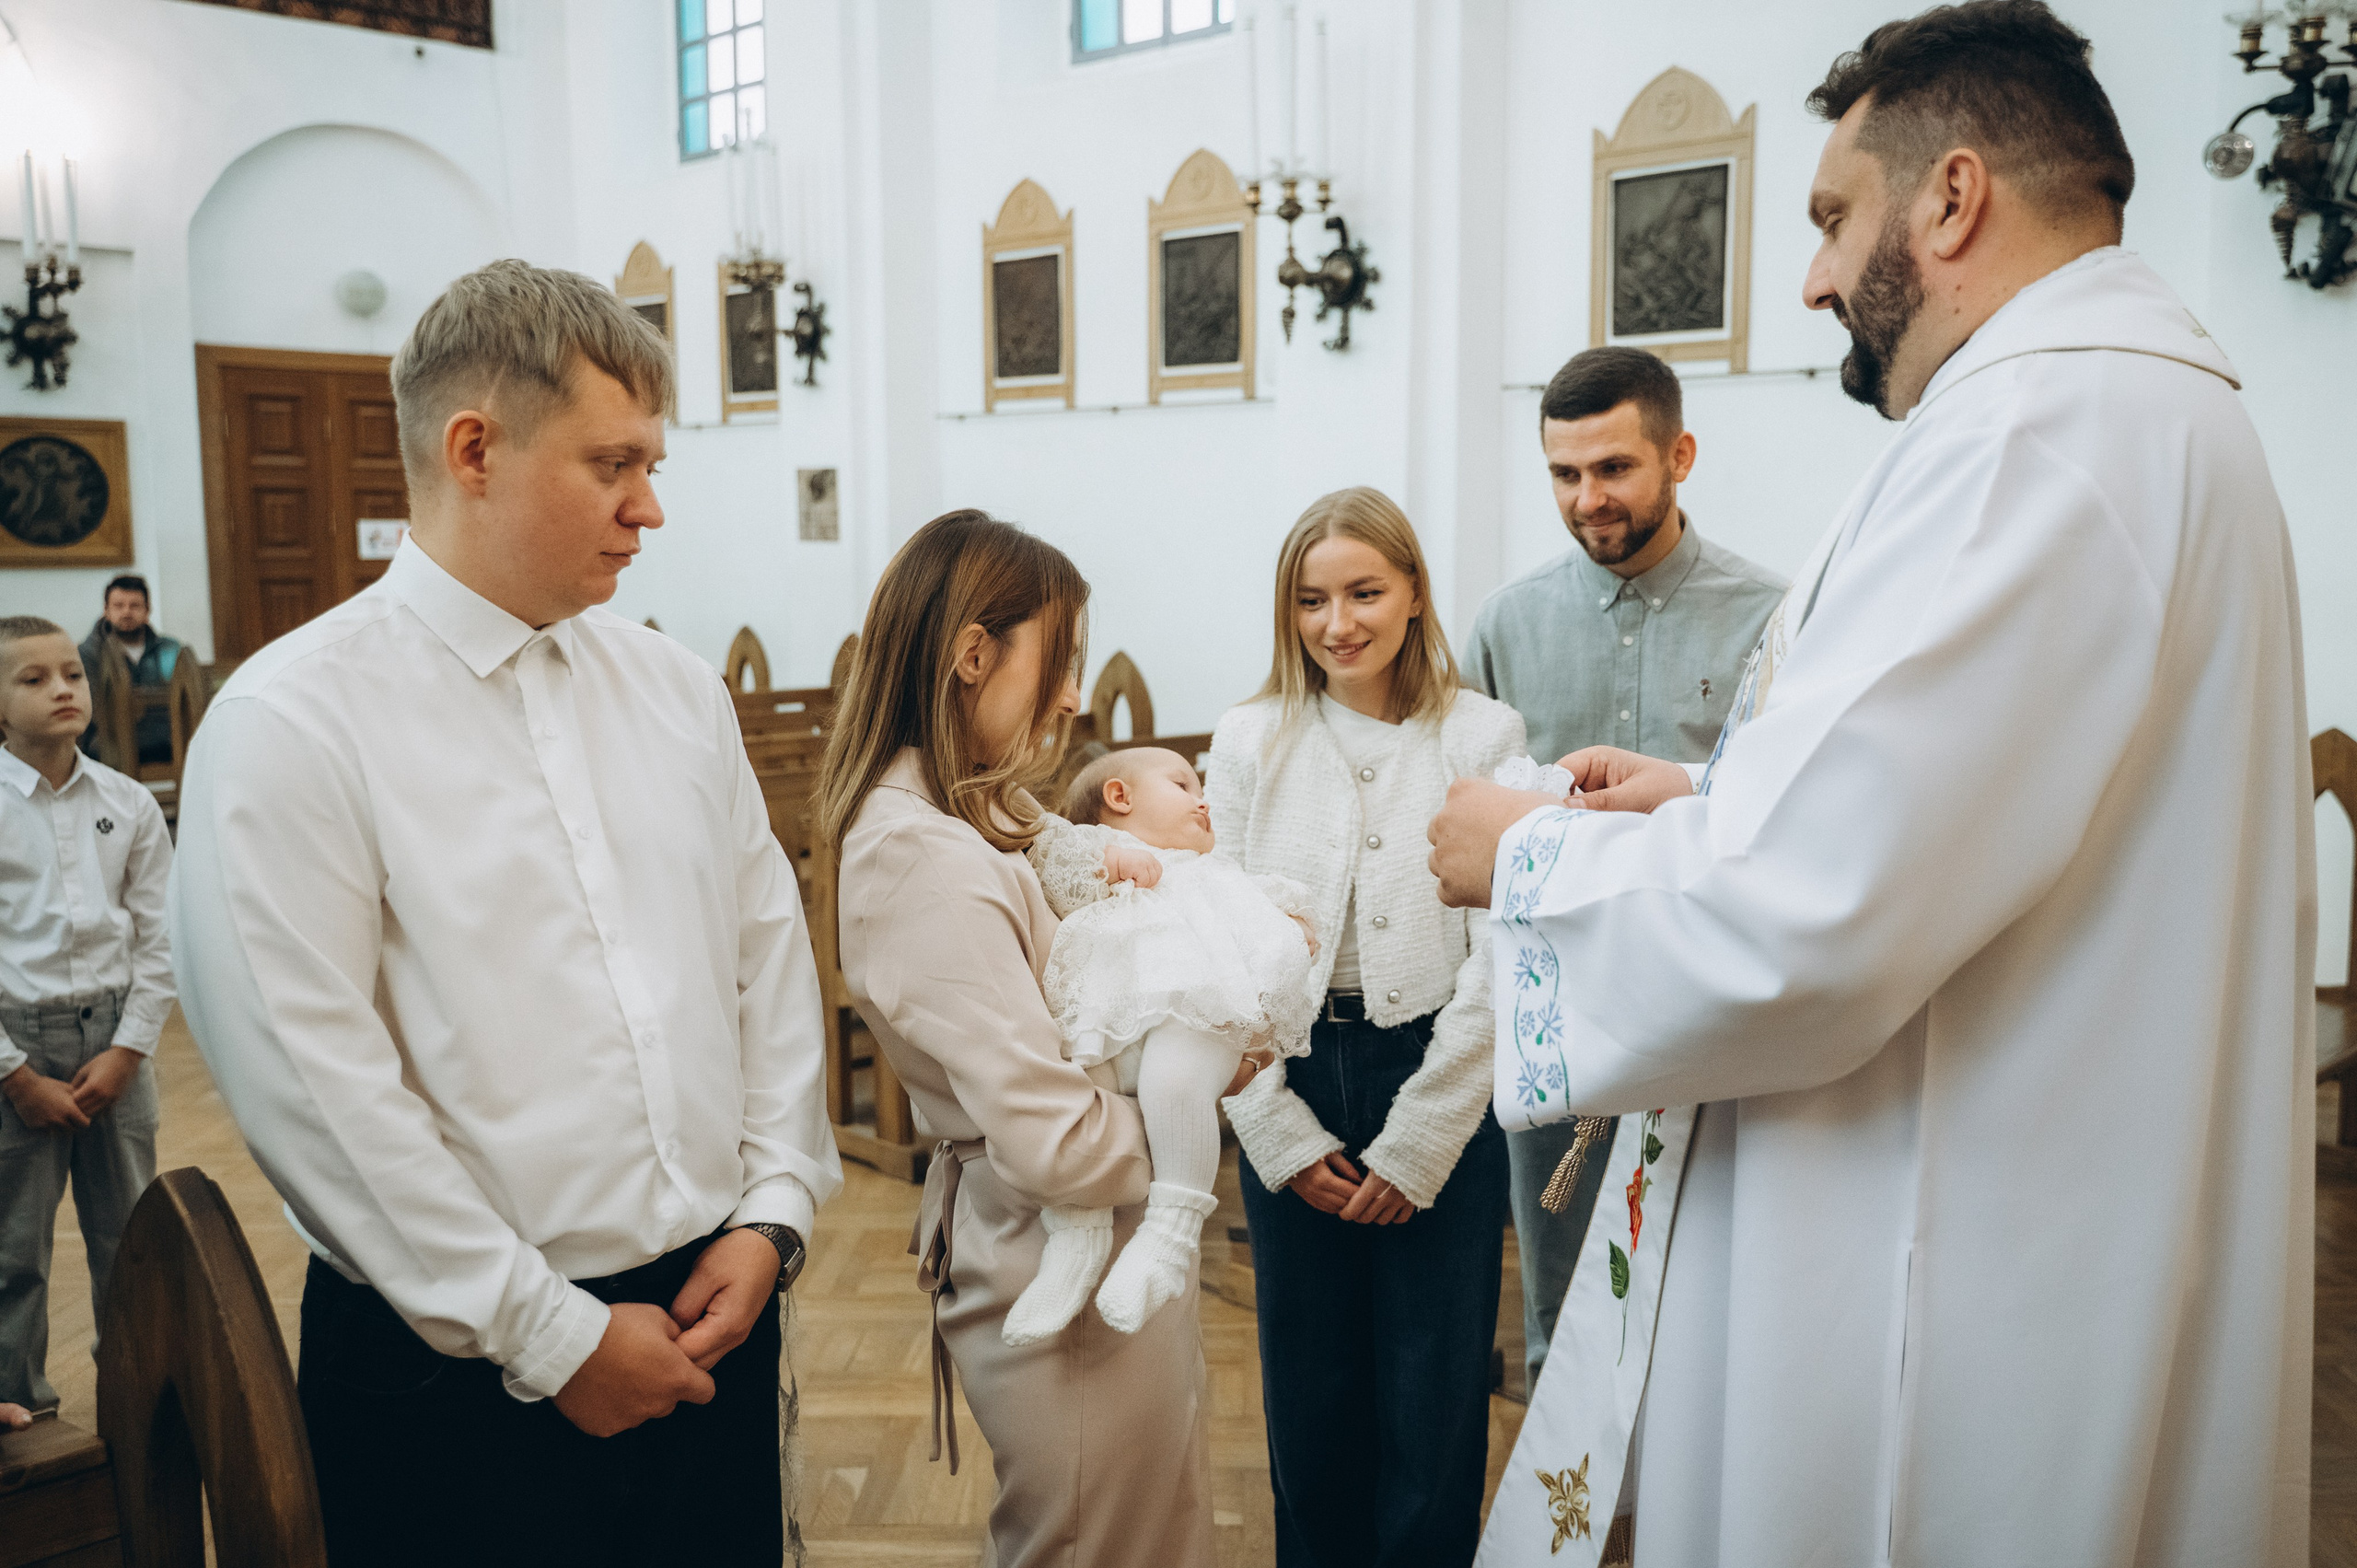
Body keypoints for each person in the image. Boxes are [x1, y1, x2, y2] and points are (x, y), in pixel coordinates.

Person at [1429, 5, 2312, 1563]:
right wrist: (1708, 803)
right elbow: (1960, 825)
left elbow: (1811, 914)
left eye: (1835, 216)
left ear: (1952, 196)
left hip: (1954, 1246)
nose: (1817, 277)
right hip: (2039, 1186)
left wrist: (1522, 858)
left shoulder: (2038, 431)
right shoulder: (2119, 407)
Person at [170, 261, 842, 1568]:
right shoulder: (292, 719)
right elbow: (315, 1084)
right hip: (455, 1357)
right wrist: (550, 1333)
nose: (649, 507)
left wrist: (772, 1208)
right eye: (612, 464)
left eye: (652, 462)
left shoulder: (673, 688)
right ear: (475, 447)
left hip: (712, 1306)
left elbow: (765, 957)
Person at [821, 510, 1224, 1568]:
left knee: (1139, 1527)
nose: (1073, 696)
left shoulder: (969, 818)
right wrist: (1201, 1098)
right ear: (971, 653)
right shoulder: (919, 858)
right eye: (1063, 657)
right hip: (1055, 1249)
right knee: (1101, 1540)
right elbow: (1057, 1143)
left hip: (1082, 1245)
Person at [1210, 486, 1525, 1567]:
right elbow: (1216, 957)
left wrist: (1426, 1133)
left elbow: (1497, 960)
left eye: (1362, 592)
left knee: (1432, 1393)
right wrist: (1277, 1132)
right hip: (1291, 1070)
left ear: (1412, 594)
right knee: (1310, 1389)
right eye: (1311, 599)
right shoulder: (1250, 738)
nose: (1337, 622)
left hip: (1433, 1065)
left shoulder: (1483, 732)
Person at [1463, 344, 1783, 1398]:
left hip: (1713, 1013)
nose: (1587, 498)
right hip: (1560, 1009)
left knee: (1711, 1299)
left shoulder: (1768, 618)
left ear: (1678, 453)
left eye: (1614, 468)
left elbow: (1782, 813)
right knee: (1561, 1295)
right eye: (1564, 474)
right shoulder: (1509, 622)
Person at [1004, 747, 1313, 1345]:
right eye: (1182, 783)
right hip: (1105, 1018)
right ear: (1119, 798)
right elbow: (1048, 854)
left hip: (1197, 1009)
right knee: (1077, 1085)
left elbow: (1272, 920)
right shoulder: (1093, 855)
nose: (1203, 800)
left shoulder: (1210, 870)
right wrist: (1107, 861)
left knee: (1175, 1082)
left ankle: (1171, 1233)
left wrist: (1290, 928)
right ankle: (1075, 1235)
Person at [0, 617, 172, 1416]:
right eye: (32, 679)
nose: (62, 688)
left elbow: (161, 934)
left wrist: (129, 1048)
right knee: (14, 1253)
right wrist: (15, 1073)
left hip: (114, 1043)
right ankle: (19, 1416)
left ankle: (140, 1412)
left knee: (132, 1242)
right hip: (17, 1049)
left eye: (70, 672)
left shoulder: (128, 802)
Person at [77, 575, 183, 768]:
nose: (126, 612)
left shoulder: (169, 648)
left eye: (134, 606)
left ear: (147, 610)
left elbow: (178, 700)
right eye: (118, 606)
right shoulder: (88, 653)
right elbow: (95, 708)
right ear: (106, 611)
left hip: (166, 738)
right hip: (108, 742)